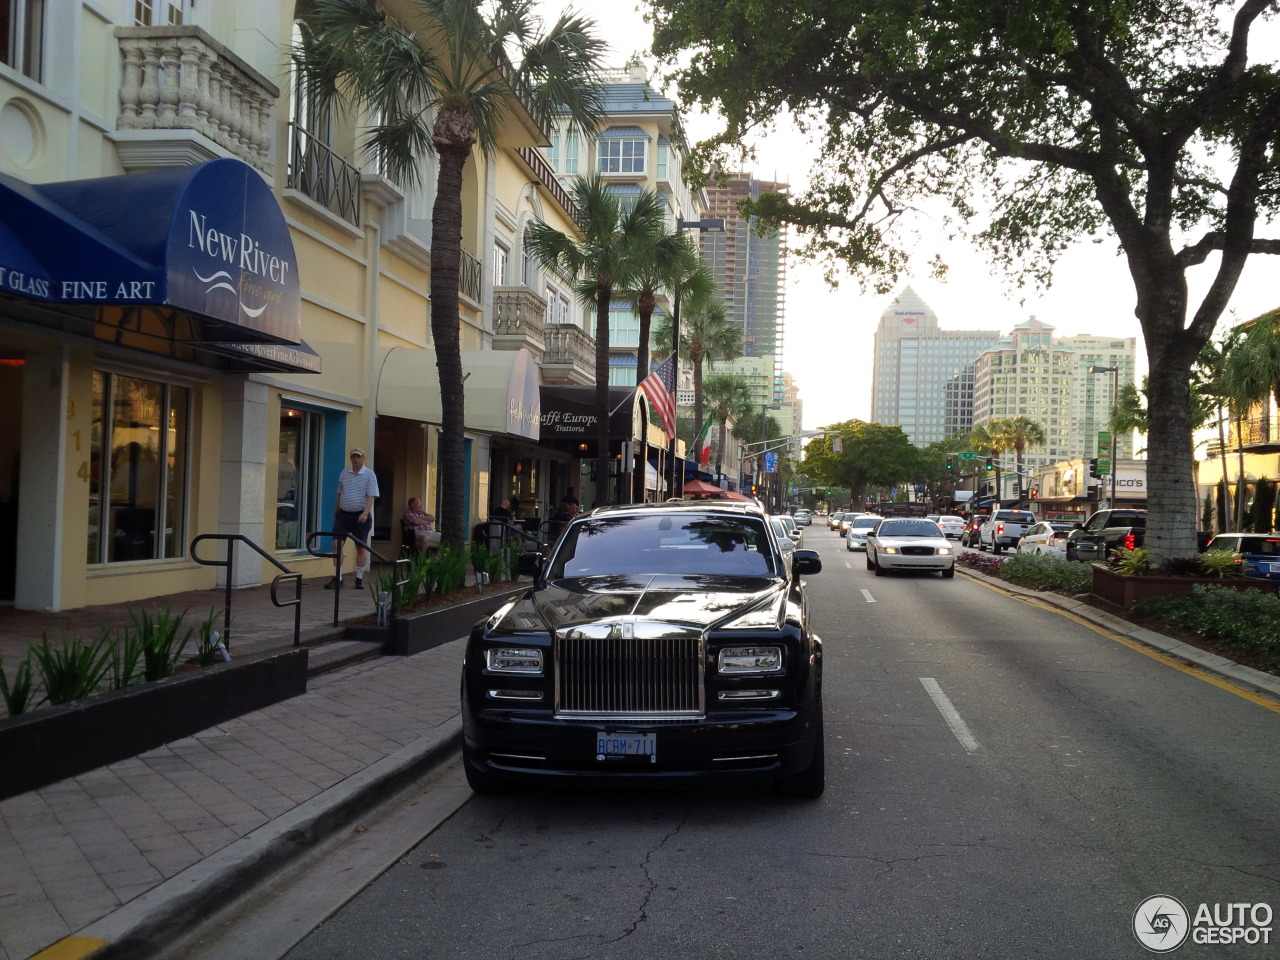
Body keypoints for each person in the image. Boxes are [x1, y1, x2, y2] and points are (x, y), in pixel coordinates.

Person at [326, 448, 379, 590]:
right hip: (343, 515)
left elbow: (371, 496)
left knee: (360, 547)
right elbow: (339, 493)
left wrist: (365, 513)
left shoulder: (369, 475)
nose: (355, 459)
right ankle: (339, 577)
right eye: (353, 457)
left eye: (358, 457)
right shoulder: (344, 473)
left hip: (360, 515)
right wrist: (336, 510)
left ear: (363, 458)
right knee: (337, 545)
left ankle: (359, 578)